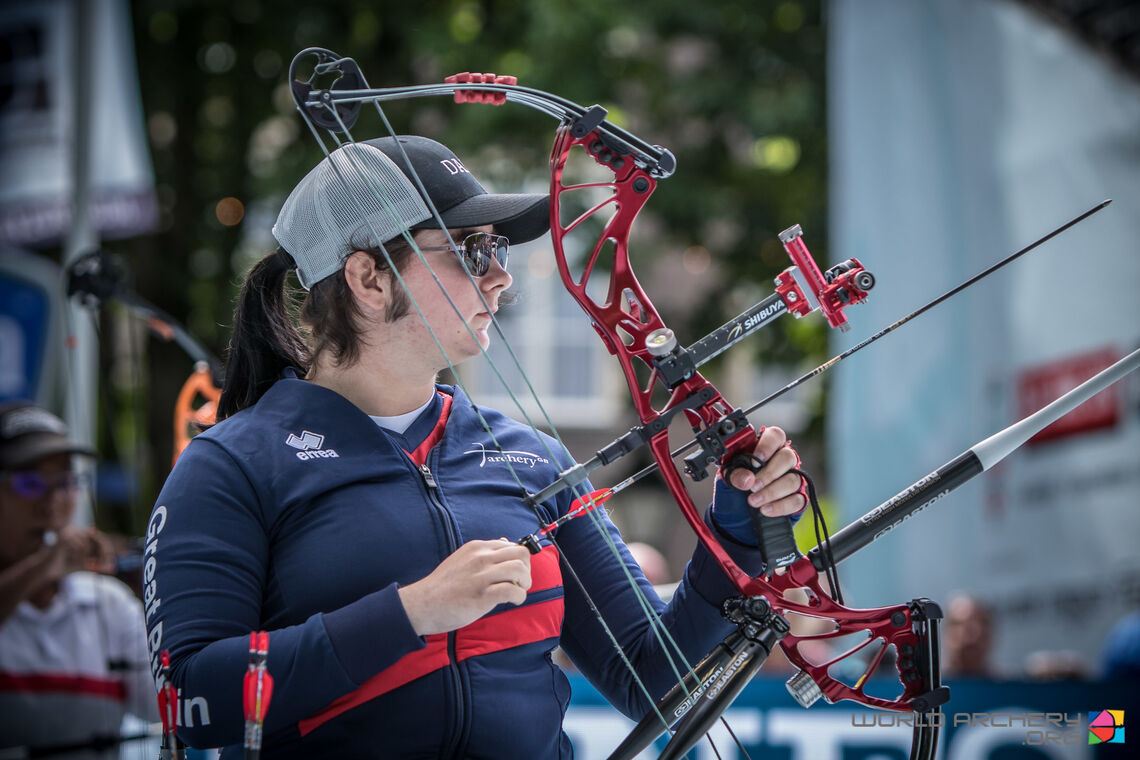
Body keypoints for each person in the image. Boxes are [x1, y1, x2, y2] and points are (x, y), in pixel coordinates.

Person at [149, 135, 808, 758]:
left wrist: (736, 529)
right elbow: (191, 699)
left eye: (496, 251)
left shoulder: (533, 457)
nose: (501, 278)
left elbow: (653, 678)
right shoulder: (231, 465)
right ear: (369, 279)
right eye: (470, 251)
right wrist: (412, 613)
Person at [0, 401, 157, 757]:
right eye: (29, 483)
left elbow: (168, 708)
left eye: (66, 483)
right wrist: (45, 565)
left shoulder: (109, 602)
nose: (51, 503)